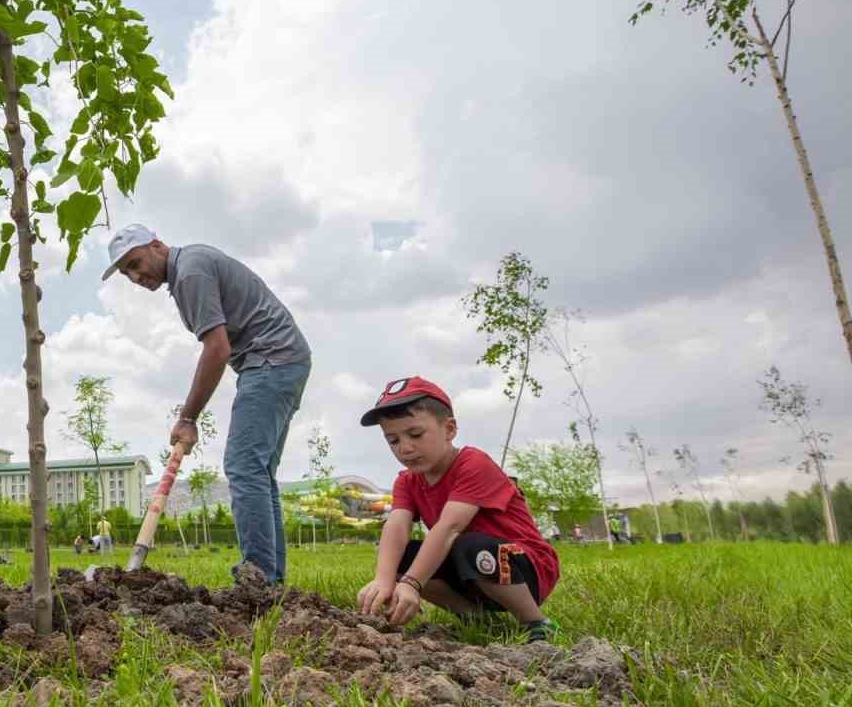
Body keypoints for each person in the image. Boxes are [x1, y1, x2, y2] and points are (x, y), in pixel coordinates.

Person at [105, 224, 310, 584]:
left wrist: (188, 417)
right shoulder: (190, 267)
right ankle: (269, 582)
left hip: (270, 359)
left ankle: (259, 583)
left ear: (157, 245)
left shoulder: (190, 272)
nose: (136, 277)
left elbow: (217, 349)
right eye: (127, 273)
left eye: (136, 263)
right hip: (282, 359)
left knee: (245, 467)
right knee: (258, 473)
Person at [355, 377, 560, 642]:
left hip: (524, 567)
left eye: (415, 434)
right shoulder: (407, 480)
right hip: (470, 572)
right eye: (393, 440)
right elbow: (396, 525)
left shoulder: (473, 464)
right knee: (402, 556)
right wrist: (384, 579)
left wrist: (411, 583)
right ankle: (476, 618)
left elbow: (450, 528)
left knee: (470, 545)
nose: (405, 448)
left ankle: (535, 622)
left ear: (449, 429)